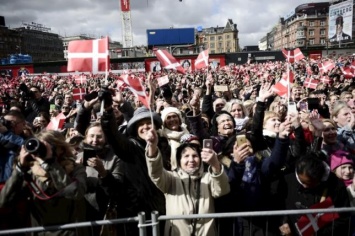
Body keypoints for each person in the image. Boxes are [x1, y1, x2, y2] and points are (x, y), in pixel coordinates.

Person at [0, 130, 87, 235]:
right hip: (41, 231)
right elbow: (4, 201)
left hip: (70, 231)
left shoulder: (76, 169)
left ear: (62, 149)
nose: (45, 150)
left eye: (50, 146)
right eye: (41, 146)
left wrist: (51, 164)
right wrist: (19, 169)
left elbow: (76, 193)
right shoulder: (30, 172)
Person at [145, 130, 230, 236]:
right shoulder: (171, 178)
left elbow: (222, 189)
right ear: (179, 160)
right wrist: (152, 147)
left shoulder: (208, 177)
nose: (191, 160)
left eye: (195, 156)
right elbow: (155, 173)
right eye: (186, 156)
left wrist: (215, 164)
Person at [100, 106, 167, 235]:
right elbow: (114, 137)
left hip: (163, 210)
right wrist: (108, 113)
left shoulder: (165, 146)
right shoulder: (130, 147)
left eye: (149, 123)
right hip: (138, 212)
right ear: (136, 130)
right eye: (141, 125)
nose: (146, 127)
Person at [276, 152, 351, 236]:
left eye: (309, 183)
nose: (304, 186)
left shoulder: (336, 186)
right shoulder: (287, 181)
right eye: (302, 182)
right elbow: (278, 205)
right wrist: (284, 222)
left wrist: (318, 233)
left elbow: (343, 218)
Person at [0, 110, 26, 182]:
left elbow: (25, 146)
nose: (8, 125)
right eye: (5, 122)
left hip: (13, 184)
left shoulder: (28, 138)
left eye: (12, 123)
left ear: (23, 124)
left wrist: (7, 133)